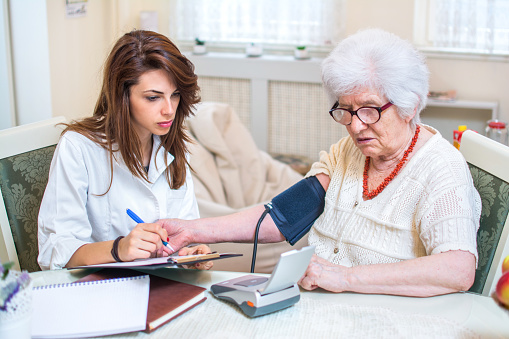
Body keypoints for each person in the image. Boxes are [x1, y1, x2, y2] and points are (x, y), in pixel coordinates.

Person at [157, 28, 482, 297]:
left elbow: (457, 269)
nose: (355, 126)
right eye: (345, 111)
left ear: (409, 105)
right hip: (319, 308)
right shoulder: (348, 153)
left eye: (369, 110)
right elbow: (284, 217)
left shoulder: (440, 167)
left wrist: (346, 278)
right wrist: (193, 230)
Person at [38, 30, 212, 270]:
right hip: (100, 289)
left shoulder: (172, 145)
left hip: (164, 284)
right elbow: (54, 250)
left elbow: (185, 228)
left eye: (175, 95)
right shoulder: (78, 147)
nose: (169, 110)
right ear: (123, 96)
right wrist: (118, 249)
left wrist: (190, 252)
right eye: (153, 98)